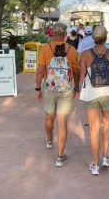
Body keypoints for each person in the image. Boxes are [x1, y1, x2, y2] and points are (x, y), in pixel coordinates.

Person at [35, 22, 80, 167]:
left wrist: (38, 88)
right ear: (65, 35)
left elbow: (40, 69)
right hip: (66, 89)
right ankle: (60, 157)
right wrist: (76, 88)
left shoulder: (45, 49)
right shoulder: (72, 50)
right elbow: (77, 71)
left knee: (49, 116)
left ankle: (49, 141)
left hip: (49, 88)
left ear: (52, 34)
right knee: (62, 121)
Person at [79, 25, 109, 175]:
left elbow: (82, 76)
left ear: (93, 38)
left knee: (94, 129)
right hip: (107, 93)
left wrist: (78, 91)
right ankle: (105, 157)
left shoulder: (85, 54)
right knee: (108, 125)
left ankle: (95, 164)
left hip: (91, 94)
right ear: (106, 36)